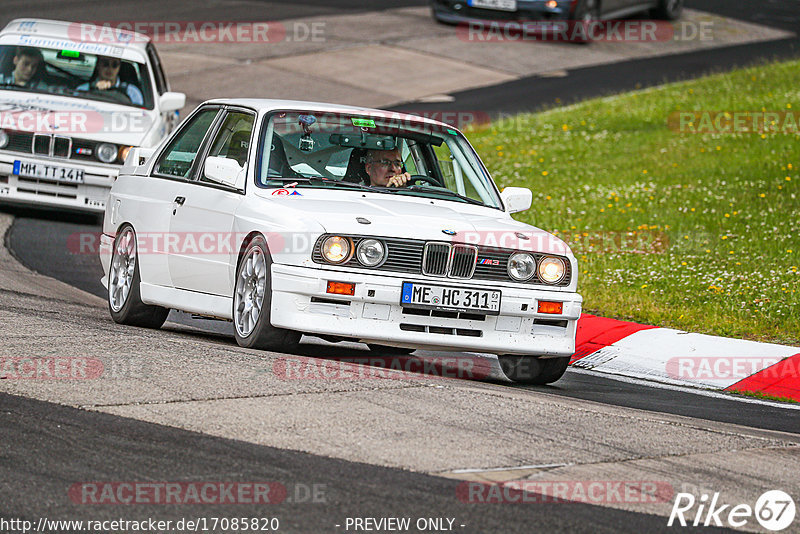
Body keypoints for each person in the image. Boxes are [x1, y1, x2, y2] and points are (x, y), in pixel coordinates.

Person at [76, 56, 143, 106]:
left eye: (114, 65)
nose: (110, 69)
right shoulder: (83, 89)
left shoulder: (132, 93)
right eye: (105, 64)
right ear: (98, 65)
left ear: (119, 67)